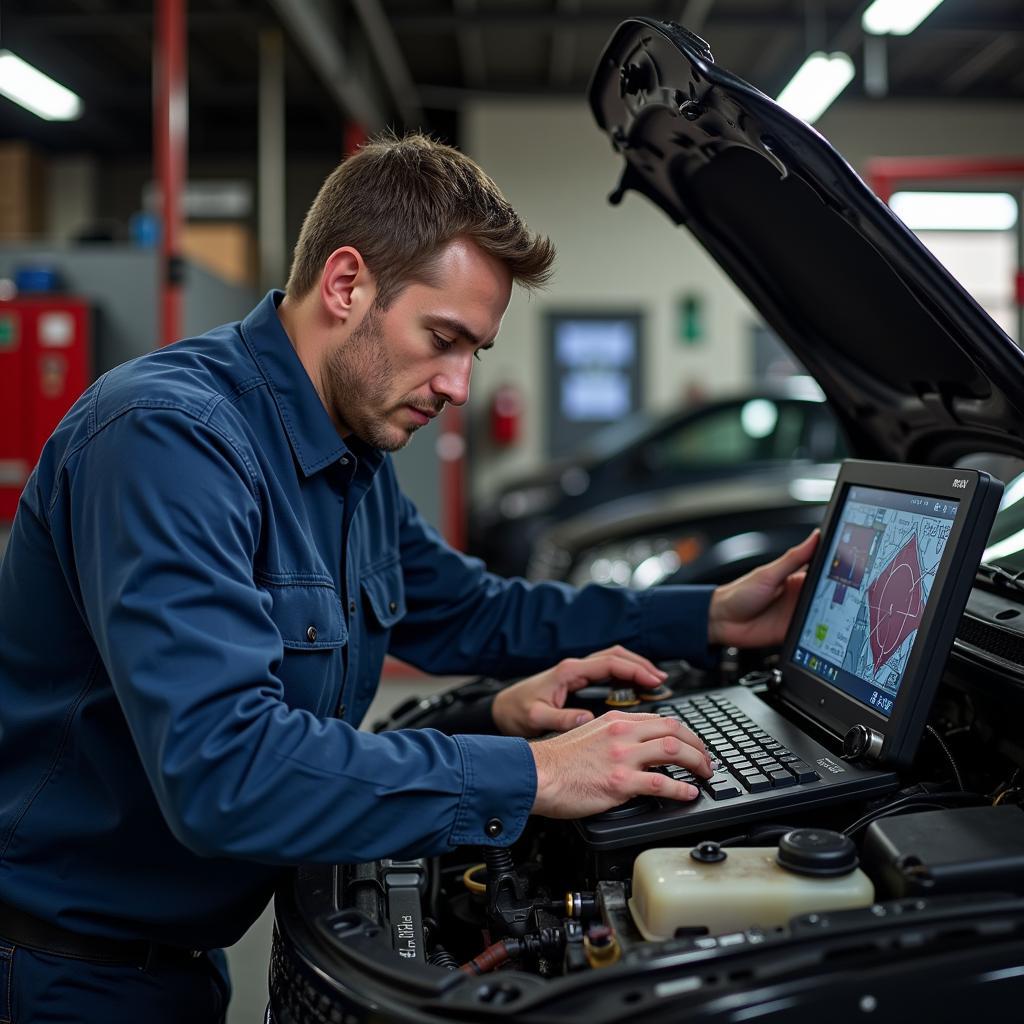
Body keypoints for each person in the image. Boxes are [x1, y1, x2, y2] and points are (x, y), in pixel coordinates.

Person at [0, 133, 817, 1022]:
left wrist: (710, 619)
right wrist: (531, 774)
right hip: (58, 973)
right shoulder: (169, 439)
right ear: (347, 285)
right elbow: (224, 772)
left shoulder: (350, 456)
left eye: (478, 352)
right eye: (443, 338)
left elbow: (474, 612)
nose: (460, 385)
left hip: (173, 965)